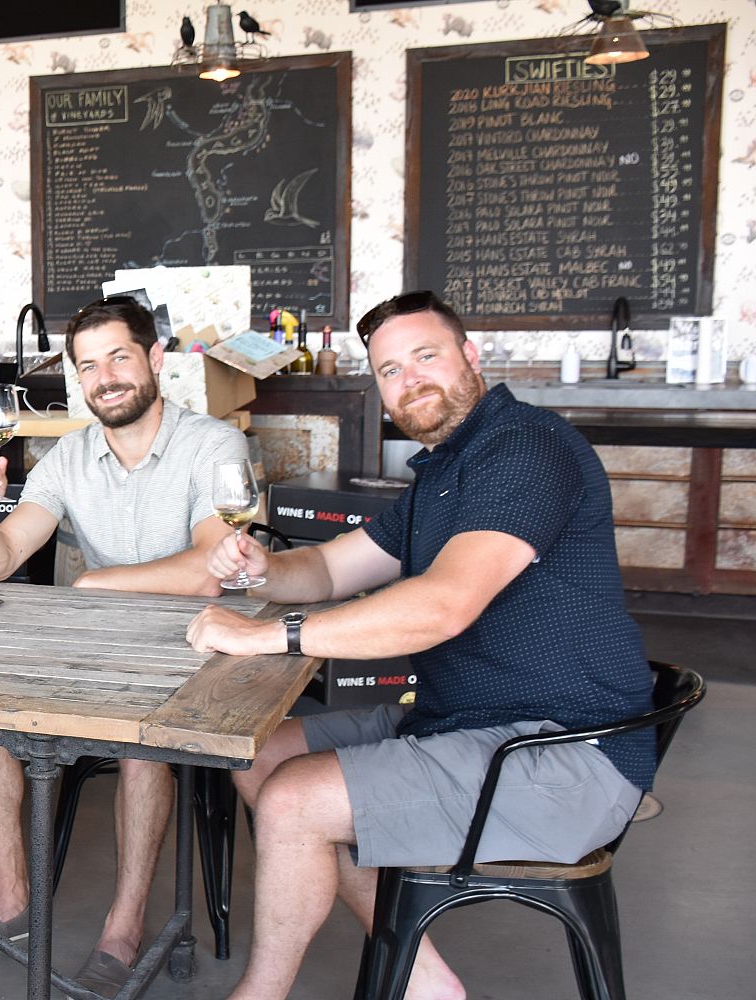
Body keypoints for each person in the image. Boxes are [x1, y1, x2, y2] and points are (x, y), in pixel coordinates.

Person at [186, 291, 657, 1000]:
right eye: (389, 370)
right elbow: (331, 568)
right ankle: (426, 978)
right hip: (462, 720)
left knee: (292, 804)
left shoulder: (525, 447)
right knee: (262, 749)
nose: (410, 380)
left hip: (565, 750)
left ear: (471, 358)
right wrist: (265, 568)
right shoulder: (443, 473)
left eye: (426, 356)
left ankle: (261, 992)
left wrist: (267, 635)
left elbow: (445, 605)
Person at [0, 296, 248, 990]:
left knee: (141, 749)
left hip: (196, 646)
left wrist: (101, 584)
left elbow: (210, 565)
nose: (104, 377)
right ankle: (13, 895)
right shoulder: (68, 455)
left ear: (154, 359)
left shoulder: (213, 444)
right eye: (89, 365)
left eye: (119, 357)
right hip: (97, 647)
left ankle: (124, 926)